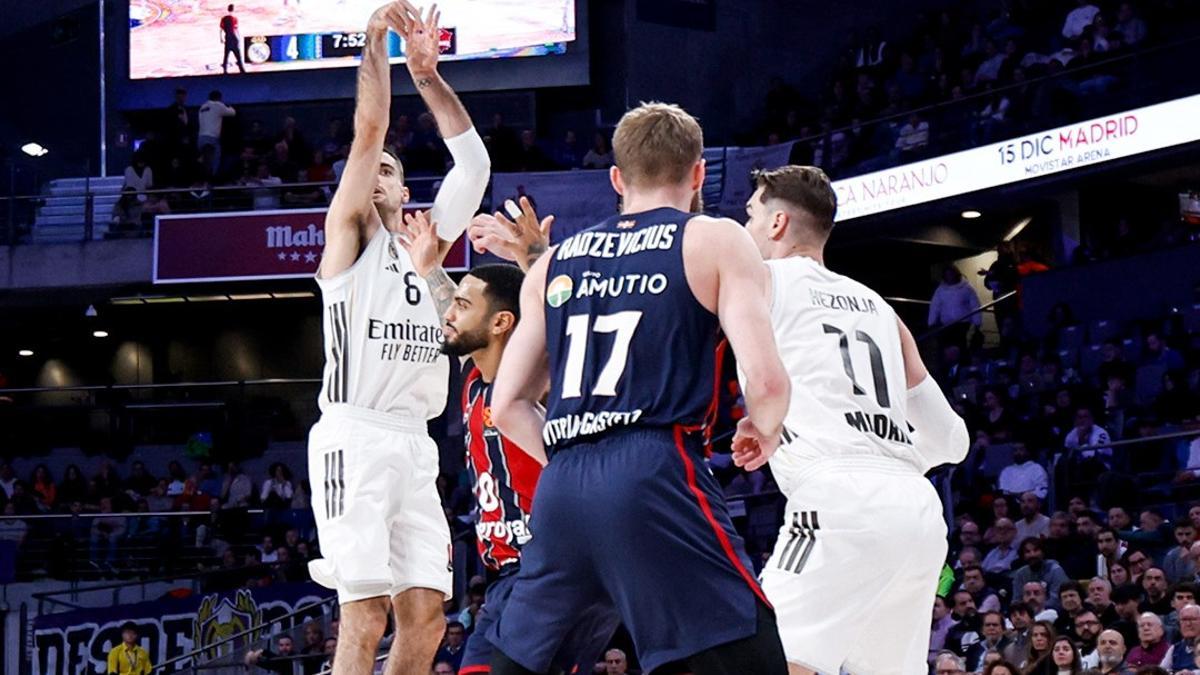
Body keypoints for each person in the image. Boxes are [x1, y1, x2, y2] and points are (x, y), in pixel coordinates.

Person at [487, 102, 791, 675]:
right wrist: (764, 426)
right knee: (747, 653)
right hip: (655, 470)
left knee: (521, 664)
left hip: (563, 482)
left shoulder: (552, 263)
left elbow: (505, 406)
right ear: (698, 173)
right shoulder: (714, 238)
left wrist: (578, 464)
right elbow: (768, 381)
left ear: (617, 178)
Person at [304, 3, 491, 674]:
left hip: (415, 441)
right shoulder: (348, 240)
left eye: (388, 169)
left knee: (428, 619)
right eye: (369, 169)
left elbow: (474, 167)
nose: (376, 172)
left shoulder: (426, 247)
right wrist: (376, 40)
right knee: (365, 616)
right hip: (355, 434)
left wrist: (429, 77)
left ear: (406, 188)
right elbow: (370, 128)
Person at [726, 164, 970, 674]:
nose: (746, 227)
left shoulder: (759, 282)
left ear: (776, 224)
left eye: (750, 214)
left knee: (763, 663)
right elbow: (952, 440)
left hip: (837, 497)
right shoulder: (880, 307)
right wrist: (879, 452)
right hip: (916, 511)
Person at [407, 207, 619, 675]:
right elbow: (452, 311)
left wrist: (536, 258)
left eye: (464, 305)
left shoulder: (540, 379)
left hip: (559, 569)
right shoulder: (475, 377)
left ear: (502, 323)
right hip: (510, 577)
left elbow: (569, 320)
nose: (450, 313)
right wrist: (428, 269)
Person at [197, 90, 236, 176]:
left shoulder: (202, 107)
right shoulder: (218, 105)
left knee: (204, 161)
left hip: (201, 138)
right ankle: (211, 179)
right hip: (212, 138)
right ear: (219, 98)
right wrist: (228, 105)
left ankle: (203, 178)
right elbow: (232, 113)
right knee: (214, 161)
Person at [1160, 604, 1200, 670]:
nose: (1188, 624)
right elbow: (1160, 672)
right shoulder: (1174, 649)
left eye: (1193, 619)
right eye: (1184, 620)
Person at [219, 4, 246, 74]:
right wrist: (239, 39)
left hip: (228, 40)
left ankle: (225, 71)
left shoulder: (223, 18)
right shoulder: (235, 19)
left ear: (228, 9)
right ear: (233, 10)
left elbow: (221, 30)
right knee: (238, 57)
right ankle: (242, 71)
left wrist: (221, 38)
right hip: (234, 40)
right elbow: (236, 30)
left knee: (226, 57)